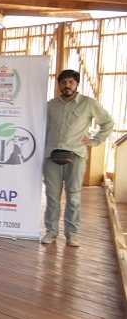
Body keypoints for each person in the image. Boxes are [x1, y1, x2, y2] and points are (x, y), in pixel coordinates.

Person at [42, 69, 114, 247]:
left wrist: (95, 141)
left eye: (71, 82)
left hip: (76, 156)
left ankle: (71, 234)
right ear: (59, 84)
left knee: (73, 196)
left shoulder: (88, 104)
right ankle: (51, 232)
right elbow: (43, 128)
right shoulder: (50, 105)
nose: (67, 85)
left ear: (77, 84)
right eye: (64, 82)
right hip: (51, 156)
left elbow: (108, 122)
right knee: (52, 196)